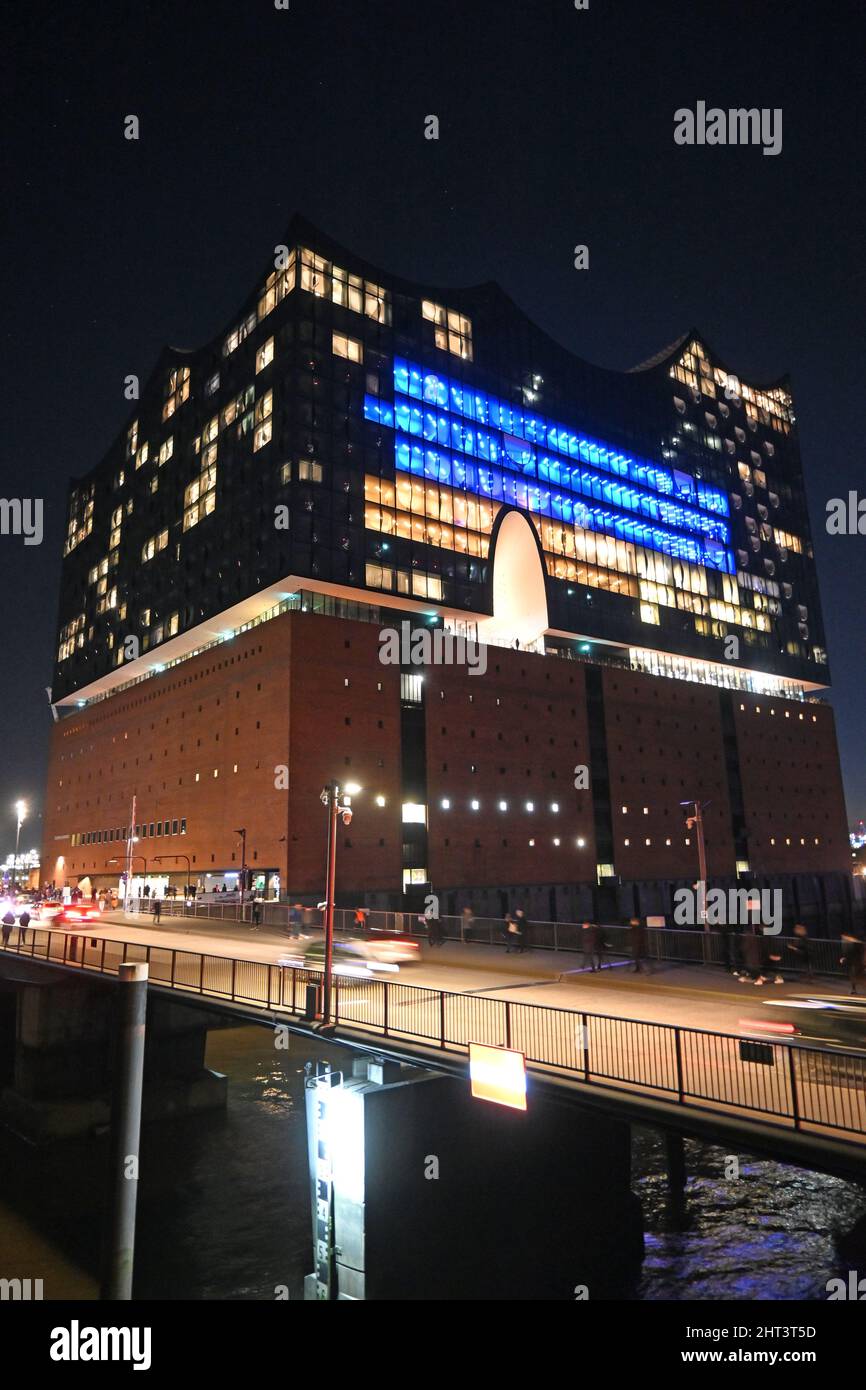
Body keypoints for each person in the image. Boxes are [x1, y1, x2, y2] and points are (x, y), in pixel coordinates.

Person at [840, 931, 865, 996]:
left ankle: (854, 989)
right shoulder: (857, 944)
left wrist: (845, 959)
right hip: (857, 963)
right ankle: (854, 989)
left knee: (855, 976)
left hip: (857, 963)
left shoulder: (854, 945)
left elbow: (850, 954)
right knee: (856, 976)